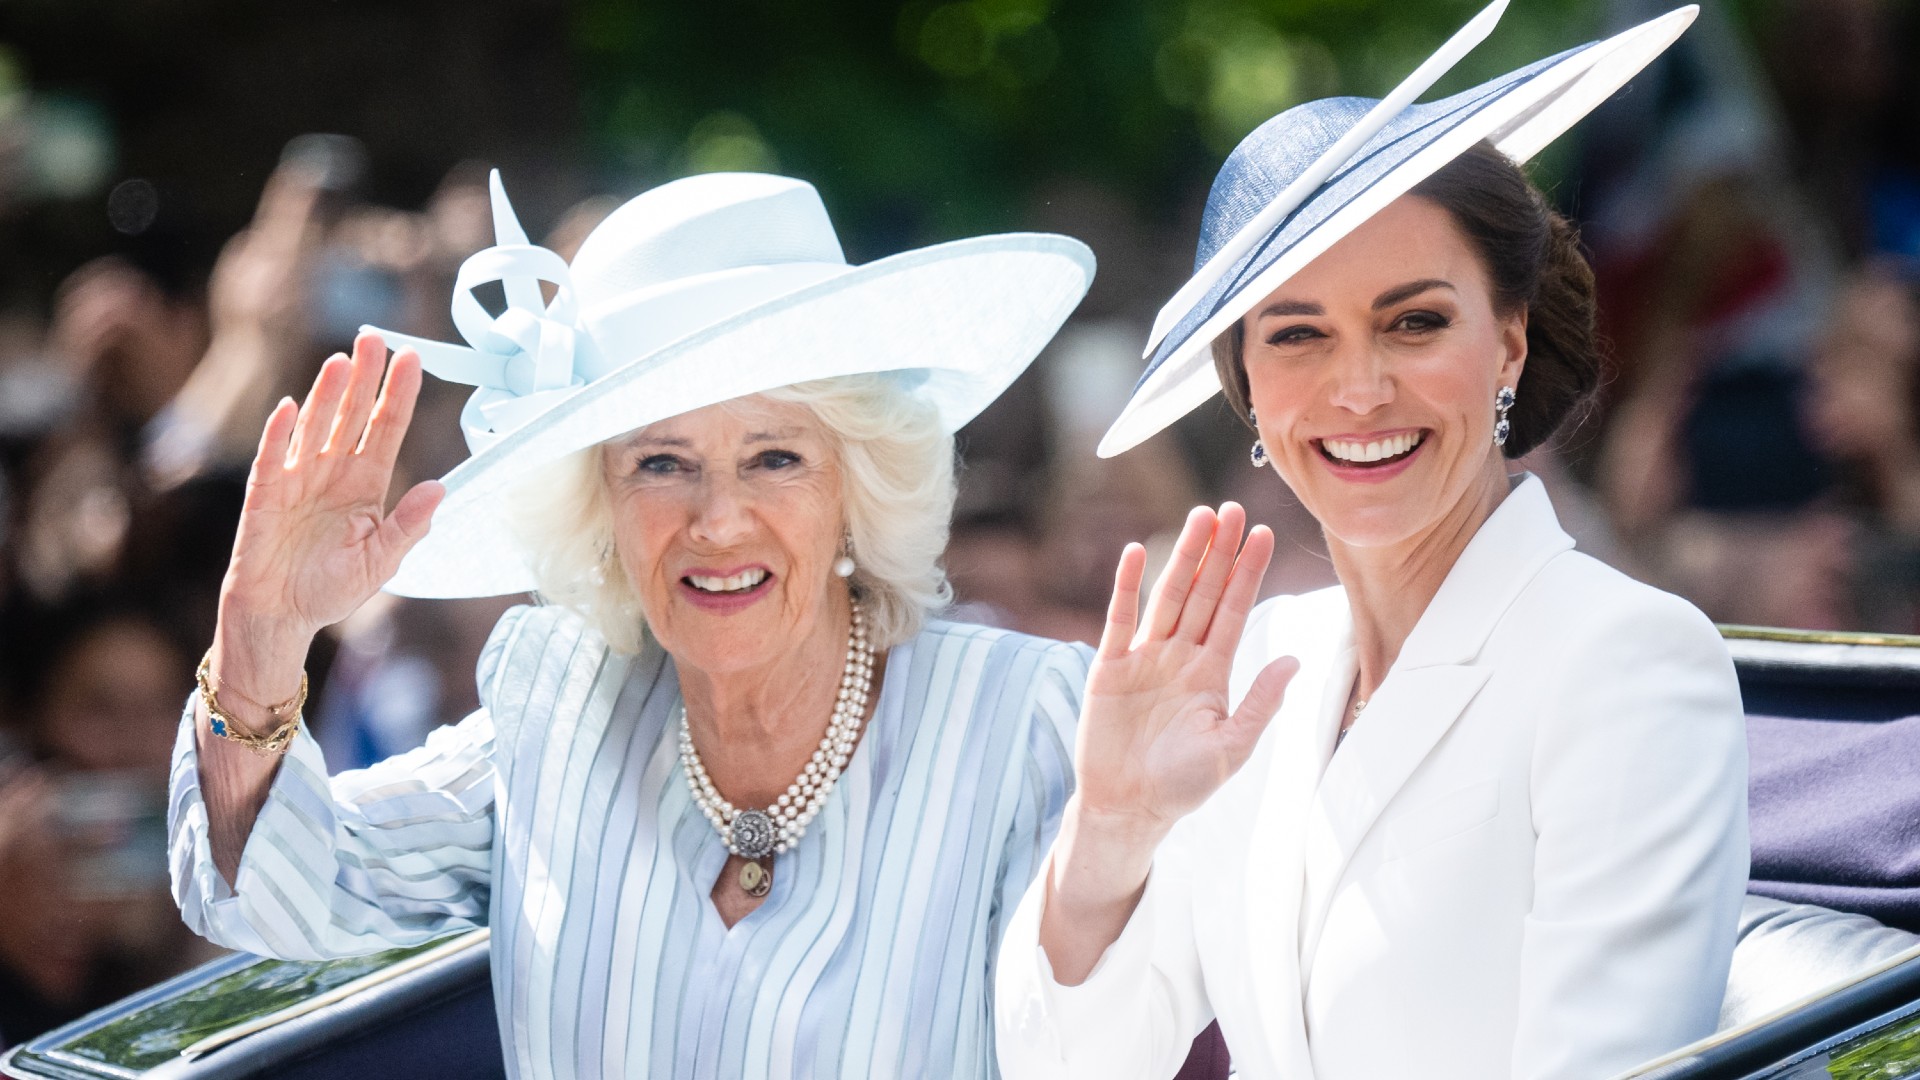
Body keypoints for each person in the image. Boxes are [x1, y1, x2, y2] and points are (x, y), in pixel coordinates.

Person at [168, 169, 1097, 1079]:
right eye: (661, 463)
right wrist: (264, 635)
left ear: (857, 485)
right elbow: (284, 891)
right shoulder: (560, 715)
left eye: (775, 457)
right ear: (598, 505)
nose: (719, 519)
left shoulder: (1022, 722)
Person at [996, 6, 1750, 1080]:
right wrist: (1111, 828)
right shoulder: (1257, 670)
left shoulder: (1626, 662)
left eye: (1414, 322)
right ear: (1246, 388)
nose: (1358, 390)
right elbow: (1065, 1065)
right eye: (1298, 335)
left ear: (1509, 341)